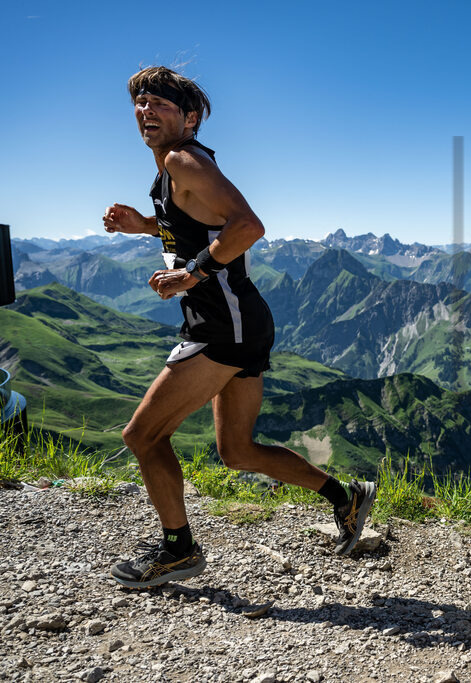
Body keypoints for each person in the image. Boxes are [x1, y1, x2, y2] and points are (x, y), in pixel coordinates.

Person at [102, 66, 375, 588]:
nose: (145, 111)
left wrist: (191, 274)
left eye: (158, 103)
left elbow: (247, 226)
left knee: (142, 435)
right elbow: (195, 224)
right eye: (139, 103)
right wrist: (145, 225)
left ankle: (178, 549)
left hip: (221, 327)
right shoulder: (171, 172)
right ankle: (348, 496)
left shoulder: (183, 159)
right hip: (242, 321)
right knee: (237, 450)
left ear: (190, 117)